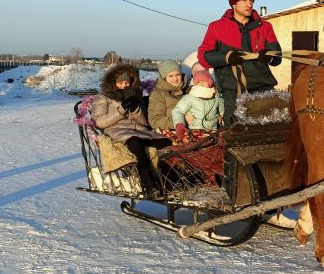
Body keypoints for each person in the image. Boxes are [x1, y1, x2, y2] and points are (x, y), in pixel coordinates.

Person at [197, 0, 282, 127]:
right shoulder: (216, 27)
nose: (249, 4)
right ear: (233, 4)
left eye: (251, 0)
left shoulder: (265, 26)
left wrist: (269, 57)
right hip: (233, 92)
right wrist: (226, 58)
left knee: (269, 133)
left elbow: (277, 57)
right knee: (234, 137)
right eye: (244, 0)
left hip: (263, 89)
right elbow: (204, 57)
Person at [91, 63, 171, 196]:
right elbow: (100, 122)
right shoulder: (102, 98)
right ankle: (147, 182)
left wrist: (136, 110)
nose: (124, 86)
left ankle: (168, 178)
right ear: (113, 83)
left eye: (127, 83)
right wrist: (121, 110)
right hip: (117, 130)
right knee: (135, 142)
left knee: (164, 142)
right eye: (120, 83)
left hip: (140, 130)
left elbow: (144, 122)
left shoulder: (134, 95)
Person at [172, 70, 225, 142]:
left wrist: (221, 116)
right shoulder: (189, 98)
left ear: (210, 83)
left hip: (212, 130)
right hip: (193, 129)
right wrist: (179, 124)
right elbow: (177, 110)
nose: (201, 83)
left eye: (204, 81)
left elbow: (223, 109)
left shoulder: (217, 97)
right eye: (198, 82)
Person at [148, 59, 190, 133]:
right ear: (164, 77)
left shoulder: (190, 89)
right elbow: (155, 121)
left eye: (177, 75)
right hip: (171, 132)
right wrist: (181, 121)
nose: (175, 79)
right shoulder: (158, 94)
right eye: (170, 76)